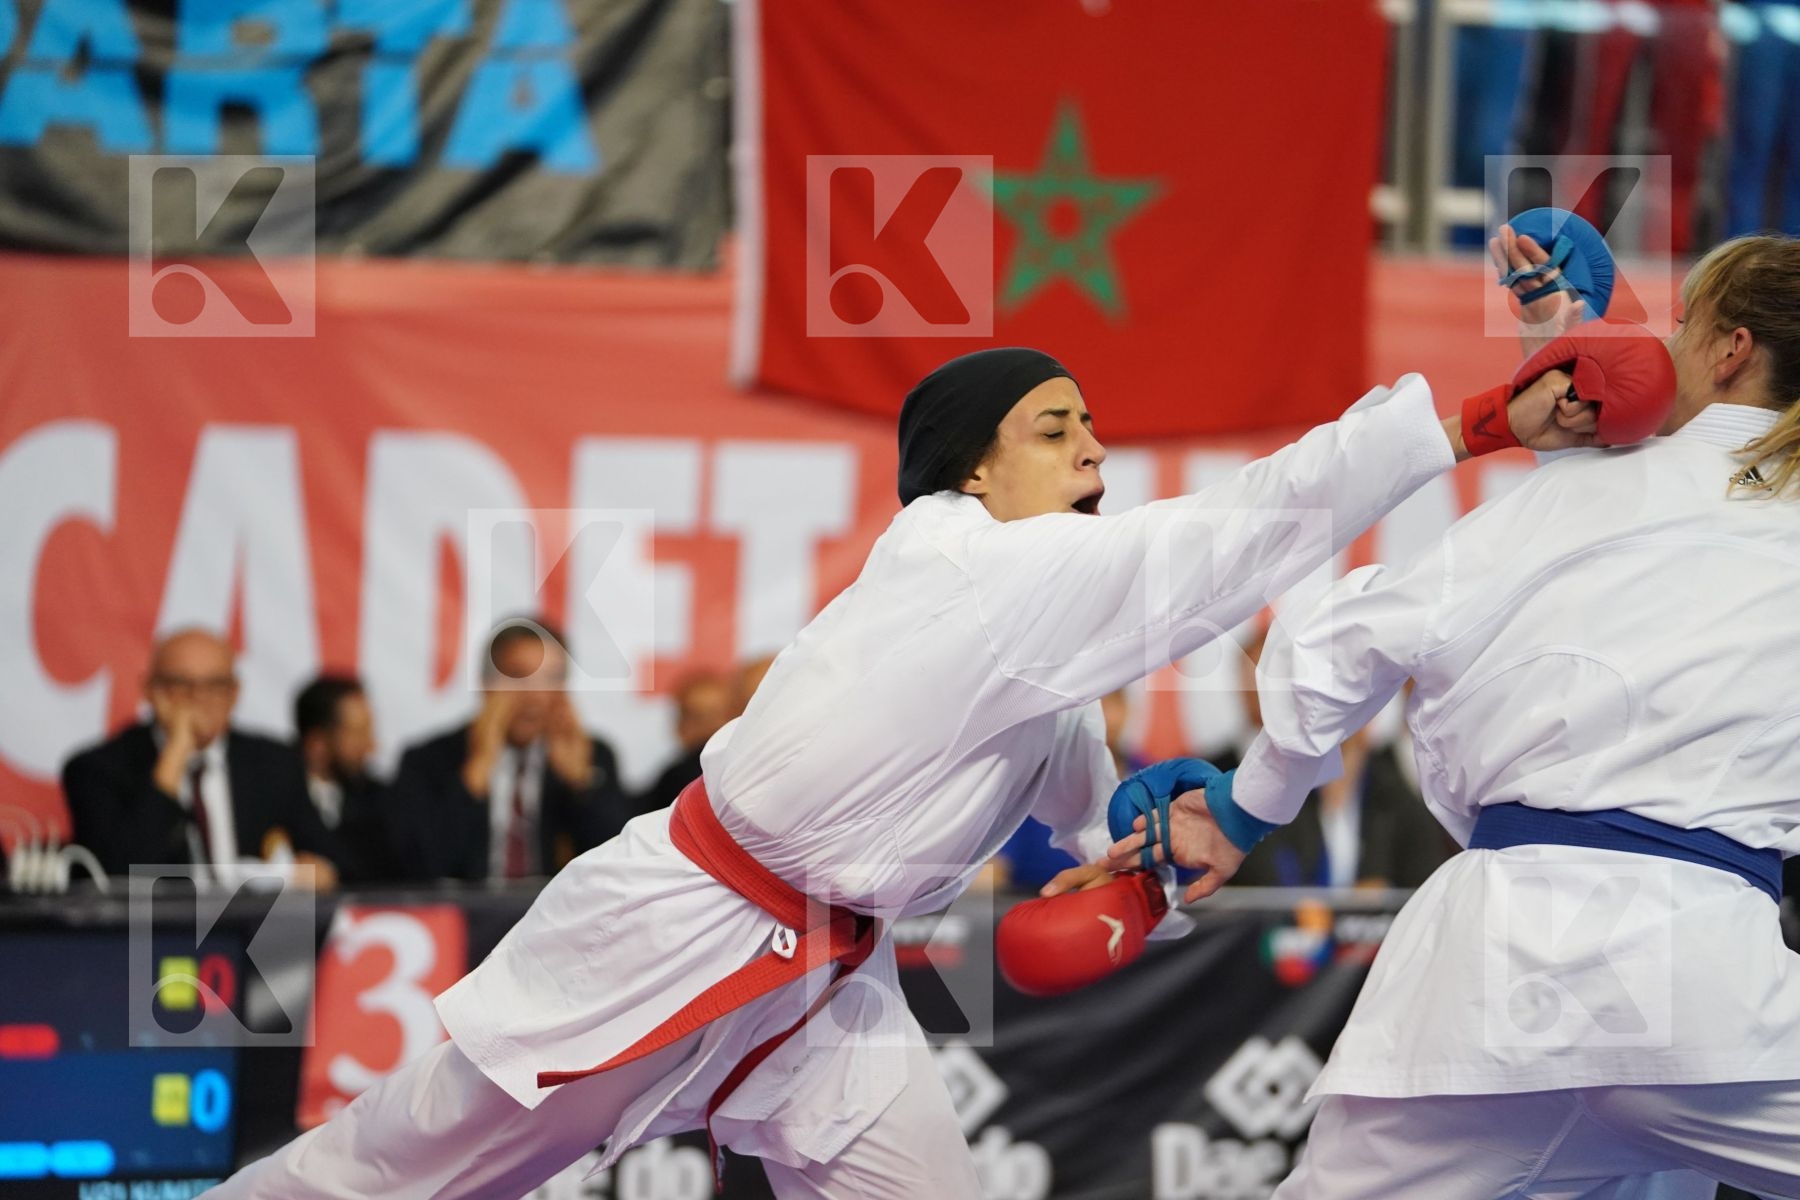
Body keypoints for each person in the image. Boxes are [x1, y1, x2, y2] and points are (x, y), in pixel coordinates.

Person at [207, 345, 1598, 1199]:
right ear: (973, 474)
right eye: (1057, 427)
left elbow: (1071, 806)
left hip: (830, 975)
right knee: (391, 1171)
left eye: (1093, 425)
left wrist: (1129, 834)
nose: (1096, 447)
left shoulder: (1031, 641)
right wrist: (1464, 427)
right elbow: (1243, 529)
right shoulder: (965, 565)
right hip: (676, 924)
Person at [1109, 235, 1800, 1197]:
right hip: (1702, 991)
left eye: (1679, 326)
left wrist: (1241, 809)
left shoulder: (1598, 482)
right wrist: (1572, 339)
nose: (1662, 345)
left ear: (1728, 351)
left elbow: (1354, 641)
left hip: (1490, 973)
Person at [62, 628, 338, 888]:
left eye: (215, 685)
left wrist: (319, 873)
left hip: (255, 932)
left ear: (234, 694)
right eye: (181, 685)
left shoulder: (275, 763)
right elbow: (121, 877)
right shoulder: (97, 769)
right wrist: (177, 751)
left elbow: (333, 861)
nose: (198, 699)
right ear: (150, 691)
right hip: (151, 933)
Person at [386, 621, 631, 882]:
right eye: (518, 676)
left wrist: (582, 784)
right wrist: (476, 774)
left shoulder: (593, 757)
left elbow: (618, 867)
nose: (534, 696)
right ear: (485, 683)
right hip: (464, 917)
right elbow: (421, 866)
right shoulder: (428, 760)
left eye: (551, 679)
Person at [293, 675, 399, 884]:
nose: (371, 746)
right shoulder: (273, 797)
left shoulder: (381, 801)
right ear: (317, 743)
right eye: (357, 733)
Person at [632, 668, 736, 818]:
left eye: (716, 715)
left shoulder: (744, 774)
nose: (710, 727)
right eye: (698, 717)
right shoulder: (673, 778)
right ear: (680, 725)